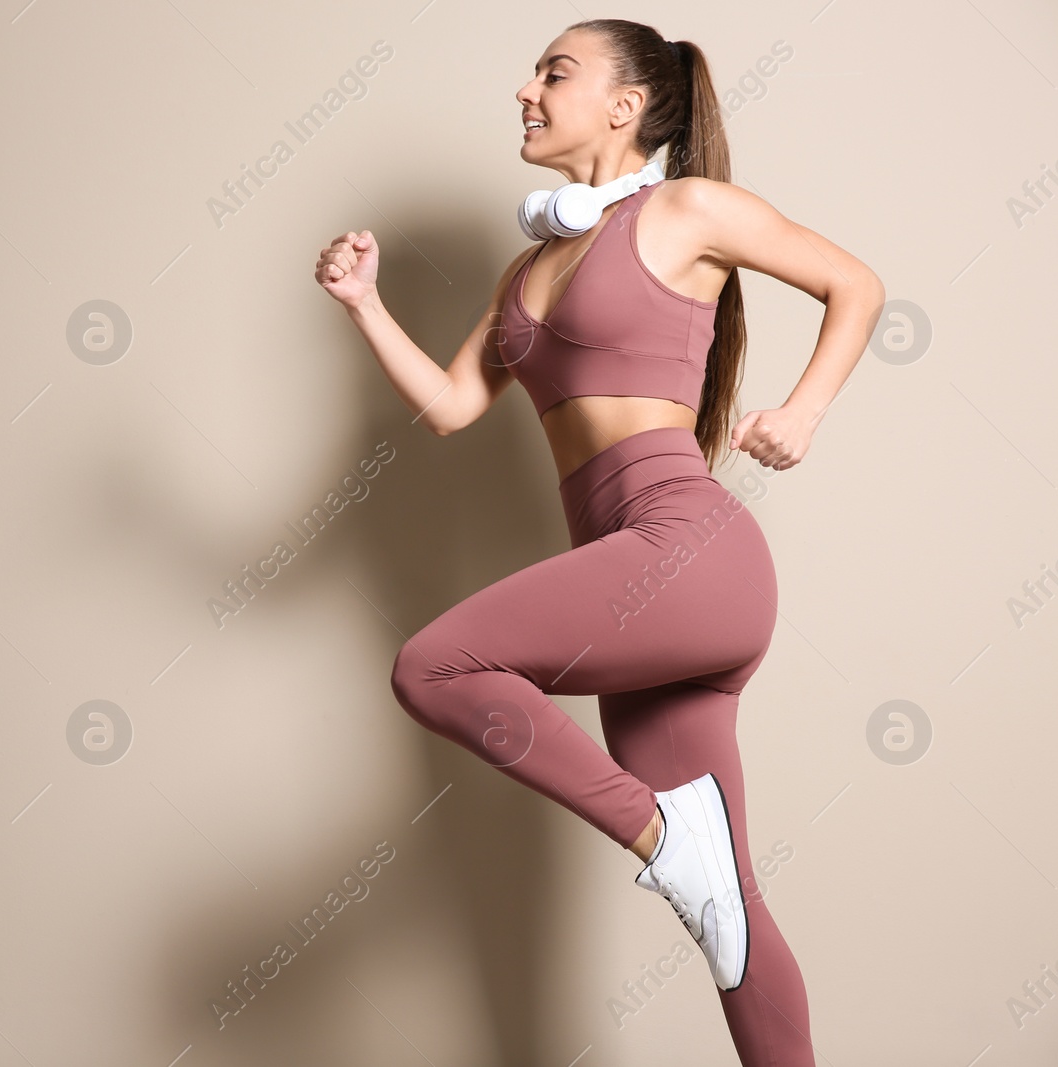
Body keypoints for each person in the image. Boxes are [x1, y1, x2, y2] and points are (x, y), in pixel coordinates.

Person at [313, 18, 883, 1067]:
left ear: (624, 106)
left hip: (687, 553)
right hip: (636, 587)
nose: (524, 89)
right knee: (732, 922)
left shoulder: (686, 210)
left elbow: (856, 285)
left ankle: (662, 841)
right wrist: (362, 305)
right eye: (530, 70)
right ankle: (691, 867)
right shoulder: (526, 270)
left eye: (553, 72)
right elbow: (449, 404)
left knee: (431, 663)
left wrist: (800, 413)